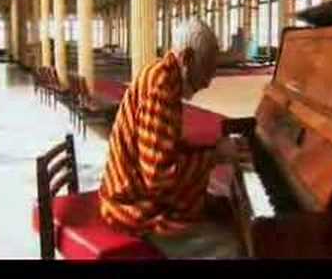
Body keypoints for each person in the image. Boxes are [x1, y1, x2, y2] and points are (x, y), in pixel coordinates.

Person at [98, 19, 238, 237]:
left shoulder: (165, 75)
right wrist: (214, 156)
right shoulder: (161, 86)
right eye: (209, 67)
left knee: (222, 210)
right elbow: (158, 179)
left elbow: (166, 148)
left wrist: (210, 151)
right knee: (229, 242)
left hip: (138, 190)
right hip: (131, 204)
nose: (210, 80)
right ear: (187, 58)